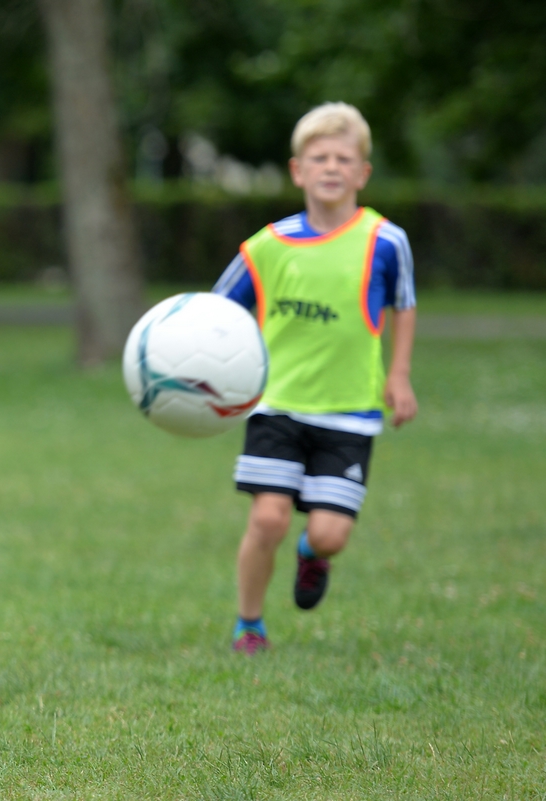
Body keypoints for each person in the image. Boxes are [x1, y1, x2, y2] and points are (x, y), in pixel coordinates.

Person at [212, 102, 418, 654]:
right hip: (276, 404)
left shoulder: (386, 242)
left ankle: (312, 556)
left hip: (350, 411)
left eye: (343, 158)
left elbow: (404, 305)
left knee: (329, 533)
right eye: (319, 157)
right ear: (298, 170)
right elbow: (215, 314)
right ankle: (249, 625)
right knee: (268, 518)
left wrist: (398, 375)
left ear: (362, 173)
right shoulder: (267, 247)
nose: (331, 166)